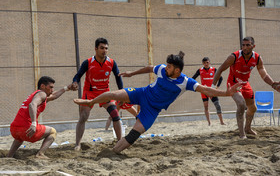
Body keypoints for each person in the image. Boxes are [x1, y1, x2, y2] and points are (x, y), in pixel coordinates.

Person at [73, 51, 241, 153]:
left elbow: (206, 89)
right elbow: (149, 68)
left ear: (176, 70)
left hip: (152, 110)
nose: (165, 68)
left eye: (169, 67)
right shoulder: (162, 69)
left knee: (132, 137)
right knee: (113, 94)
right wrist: (132, 74)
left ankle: (113, 151)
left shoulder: (186, 82)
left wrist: (226, 93)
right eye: (166, 66)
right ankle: (90, 101)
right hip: (142, 94)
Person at [212, 36, 280, 139]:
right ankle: (242, 134)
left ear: (253, 46)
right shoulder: (234, 56)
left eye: (247, 45)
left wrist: (273, 85)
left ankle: (247, 128)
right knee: (241, 104)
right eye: (243, 45)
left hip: (245, 84)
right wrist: (213, 86)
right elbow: (220, 69)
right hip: (233, 84)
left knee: (253, 108)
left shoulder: (257, 58)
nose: (245, 47)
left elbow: (264, 74)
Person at [71, 37, 123, 151]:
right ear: (96, 49)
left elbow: (118, 78)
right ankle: (78, 144)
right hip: (89, 92)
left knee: (115, 115)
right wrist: (75, 82)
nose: (104, 50)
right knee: (83, 117)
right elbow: (78, 75)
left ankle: (120, 142)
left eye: (106, 48)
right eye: (102, 48)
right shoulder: (88, 62)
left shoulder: (112, 62)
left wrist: (122, 92)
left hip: (105, 92)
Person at [7, 76, 72, 159]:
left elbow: (53, 96)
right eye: (51, 87)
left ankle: (9, 156)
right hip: (27, 129)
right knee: (53, 131)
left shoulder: (36, 95)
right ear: (42, 86)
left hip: (14, 129)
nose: (52, 90)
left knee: (19, 137)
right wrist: (33, 123)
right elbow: (32, 105)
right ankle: (40, 154)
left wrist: (66, 88)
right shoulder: (42, 94)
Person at [192, 57, 225, 125]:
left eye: (207, 62)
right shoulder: (200, 70)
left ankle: (222, 122)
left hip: (212, 91)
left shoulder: (214, 69)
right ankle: (209, 123)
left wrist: (217, 86)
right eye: (204, 63)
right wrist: (198, 87)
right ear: (202, 63)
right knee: (206, 106)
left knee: (217, 105)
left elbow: (221, 78)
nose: (206, 64)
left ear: (209, 62)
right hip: (204, 91)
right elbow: (193, 79)